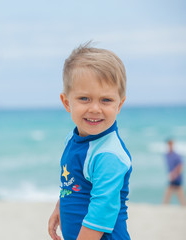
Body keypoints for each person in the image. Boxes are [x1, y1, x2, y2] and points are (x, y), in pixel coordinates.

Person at [48, 42, 132, 240]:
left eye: (106, 100)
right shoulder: (74, 138)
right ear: (67, 102)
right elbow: (73, 183)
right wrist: (60, 207)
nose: (95, 108)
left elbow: (101, 215)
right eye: (84, 98)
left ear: (119, 104)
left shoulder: (108, 155)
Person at [163, 139, 186, 206]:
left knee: (179, 194)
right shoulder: (167, 155)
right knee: (169, 192)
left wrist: (174, 174)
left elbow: (180, 166)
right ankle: (164, 206)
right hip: (172, 176)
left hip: (177, 177)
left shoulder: (176, 155)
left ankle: (164, 206)